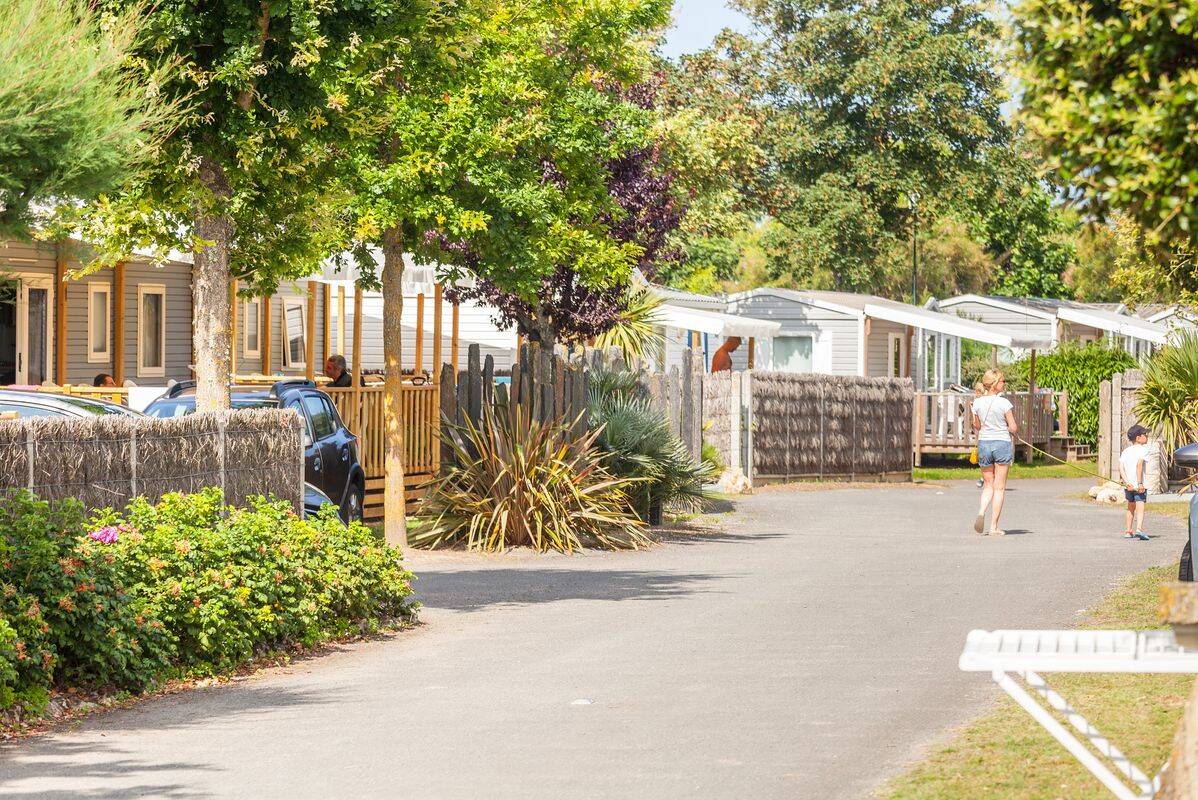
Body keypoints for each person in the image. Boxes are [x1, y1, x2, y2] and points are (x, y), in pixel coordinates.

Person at [971, 369, 1017, 535]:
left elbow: (976, 426)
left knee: (988, 485)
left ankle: (981, 511)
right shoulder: (1004, 403)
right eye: (1002, 381)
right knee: (999, 487)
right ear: (995, 384)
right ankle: (993, 527)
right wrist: (1008, 428)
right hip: (1001, 443)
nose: (1004, 383)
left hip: (984, 444)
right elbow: (1013, 427)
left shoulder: (977, 403)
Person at [1119, 424, 1151, 541]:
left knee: (1130, 507)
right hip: (1139, 486)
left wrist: (1127, 482)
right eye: (1145, 434)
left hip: (1129, 486)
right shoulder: (1144, 450)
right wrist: (1140, 483)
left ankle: (1128, 531)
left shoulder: (1126, 451)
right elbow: (1139, 465)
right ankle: (1139, 529)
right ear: (1138, 438)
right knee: (1140, 506)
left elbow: (1121, 468)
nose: (1147, 436)